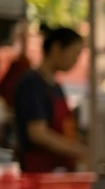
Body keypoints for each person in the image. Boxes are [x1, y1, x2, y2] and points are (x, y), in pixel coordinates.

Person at [13, 27, 88, 172]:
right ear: (56, 48)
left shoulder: (56, 87)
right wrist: (77, 150)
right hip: (37, 171)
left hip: (58, 170)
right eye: (75, 54)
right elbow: (37, 133)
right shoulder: (32, 83)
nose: (76, 61)